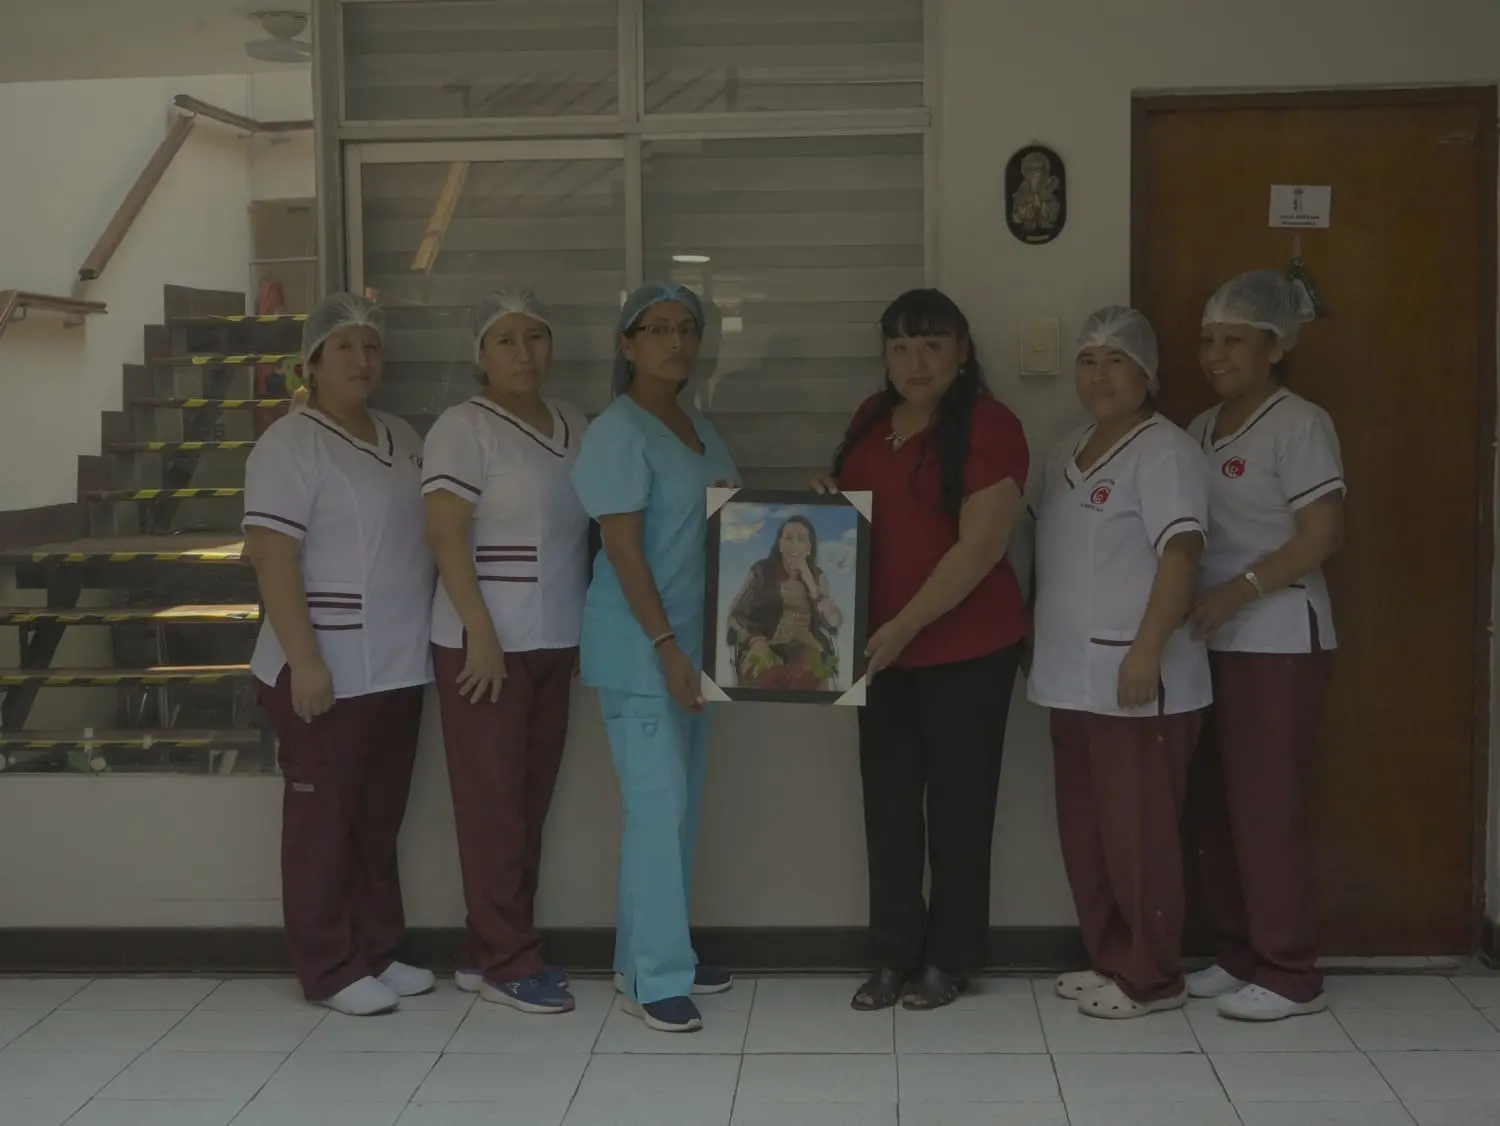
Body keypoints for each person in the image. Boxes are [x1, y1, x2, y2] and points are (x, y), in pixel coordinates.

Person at [813, 288, 1029, 1012]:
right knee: (889, 809)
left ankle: (950, 958)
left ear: (963, 351)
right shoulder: (872, 419)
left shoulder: (991, 426)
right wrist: (824, 501)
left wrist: (904, 627)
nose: (915, 361)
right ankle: (891, 956)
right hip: (879, 654)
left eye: (933, 344)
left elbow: (981, 548)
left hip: (967, 651)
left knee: (960, 814)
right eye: (901, 345)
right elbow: (858, 521)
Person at [242, 293, 436, 1016]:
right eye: (344, 347)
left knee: (376, 818)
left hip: (396, 662)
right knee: (323, 822)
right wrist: (308, 661)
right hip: (321, 664)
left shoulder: (402, 436)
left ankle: (376, 949)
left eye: (371, 346)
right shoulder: (291, 445)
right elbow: (270, 555)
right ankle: (327, 966)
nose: (361, 358)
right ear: (312, 362)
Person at [1030, 306, 1211, 1020]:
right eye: (1089, 360)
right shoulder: (1066, 450)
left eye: (1116, 361)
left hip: (1138, 677)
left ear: (1148, 374)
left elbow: (1183, 552)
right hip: (1067, 674)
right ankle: (1109, 953)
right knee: (1087, 826)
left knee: (1140, 833)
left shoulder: (1164, 451)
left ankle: (1153, 975)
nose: (1099, 374)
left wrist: (1146, 650)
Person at [570, 282, 740, 1034]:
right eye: (658, 328)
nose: (676, 341)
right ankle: (655, 977)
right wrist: (667, 646)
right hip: (644, 652)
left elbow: (736, 528)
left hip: (700, 649)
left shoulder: (700, 429)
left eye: (687, 328)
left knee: (679, 810)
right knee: (656, 809)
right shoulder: (619, 431)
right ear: (627, 345)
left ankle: (649, 950)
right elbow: (622, 547)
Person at [1182, 270, 1345, 1022]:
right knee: (1215, 802)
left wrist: (1238, 590)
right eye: (1209, 341)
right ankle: (1238, 951)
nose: (1216, 355)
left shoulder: (1298, 423)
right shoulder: (1198, 429)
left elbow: (1322, 534)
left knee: (1266, 806)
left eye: (1234, 342)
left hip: (1277, 635)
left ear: (1274, 347)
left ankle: (1290, 970)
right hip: (1209, 638)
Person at [422, 290, 590, 1015]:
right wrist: (479, 635)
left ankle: (486, 946)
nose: (524, 354)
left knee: (528, 801)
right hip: (486, 643)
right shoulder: (462, 429)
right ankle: (510, 961)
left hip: (556, 638)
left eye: (536, 338)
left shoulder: (574, 423)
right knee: (493, 807)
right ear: (480, 355)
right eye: (506, 341)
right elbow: (445, 535)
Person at [726, 515, 844, 690]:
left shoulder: (817, 576)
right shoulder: (761, 572)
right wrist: (755, 640)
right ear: (780, 544)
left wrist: (810, 582)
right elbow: (736, 614)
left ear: (809, 547)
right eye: (788, 538)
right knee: (763, 674)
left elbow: (833, 623)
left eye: (801, 539)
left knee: (810, 674)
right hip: (766, 644)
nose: (794, 544)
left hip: (806, 648)